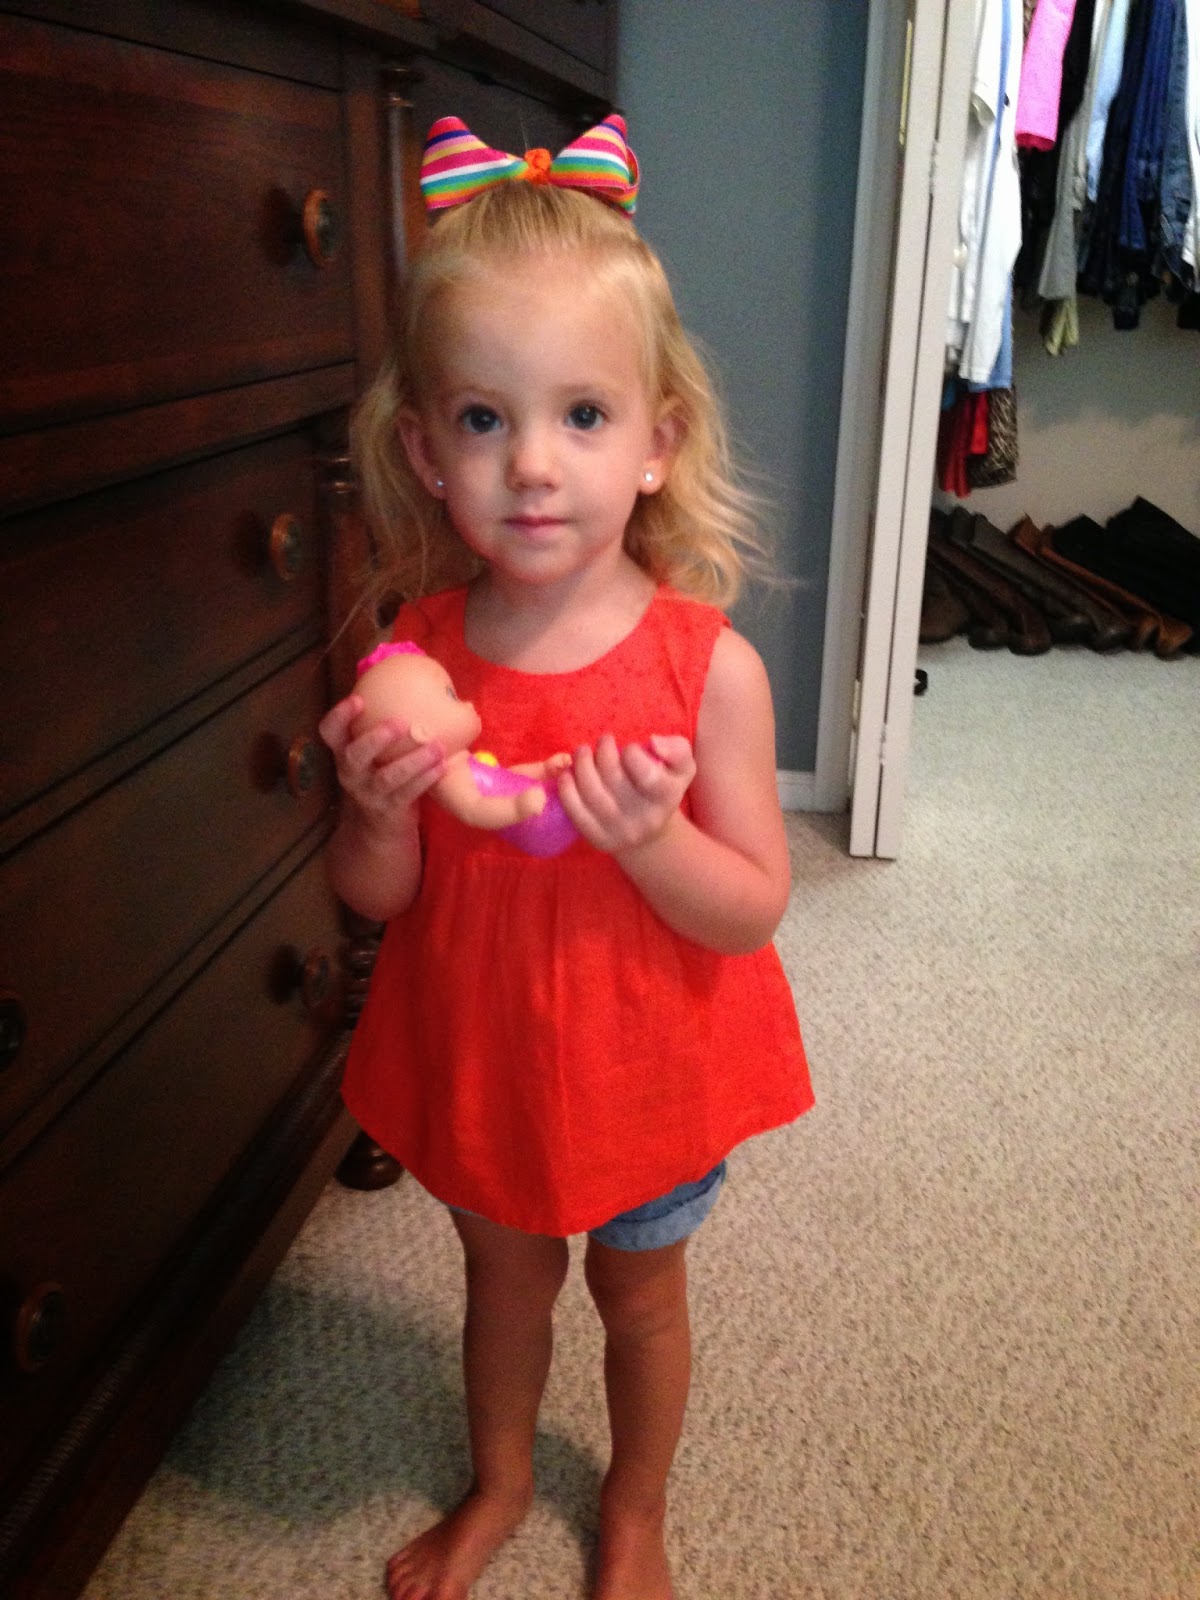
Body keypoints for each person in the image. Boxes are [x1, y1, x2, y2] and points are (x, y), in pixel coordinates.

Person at [318, 112, 814, 1600]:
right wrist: (376, 812)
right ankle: (502, 1484)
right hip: (483, 1050)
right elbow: (378, 901)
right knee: (507, 1283)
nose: (532, 466)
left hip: (651, 1059)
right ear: (426, 450)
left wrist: (649, 838)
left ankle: (637, 1510)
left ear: (660, 440)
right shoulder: (416, 655)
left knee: (639, 1294)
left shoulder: (708, 672)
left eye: (583, 415)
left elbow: (752, 909)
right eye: (484, 419)